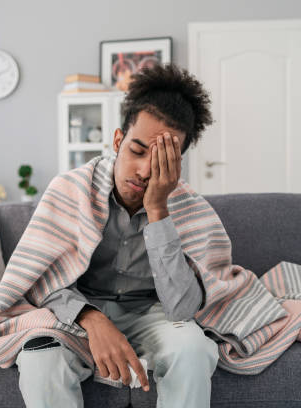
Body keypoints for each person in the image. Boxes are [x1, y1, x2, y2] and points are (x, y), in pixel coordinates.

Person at [15, 62, 218, 408]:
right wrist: (91, 318)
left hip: (150, 312)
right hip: (78, 308)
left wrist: (158, 209)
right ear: (117, 140)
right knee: (40, 360)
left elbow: (182, 309)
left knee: (194, 349)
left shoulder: (188, 208)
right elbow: (39, 279)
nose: (144, 171)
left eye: (160, 161)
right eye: (137, 151)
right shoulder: (69, 189)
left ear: (177, 164)